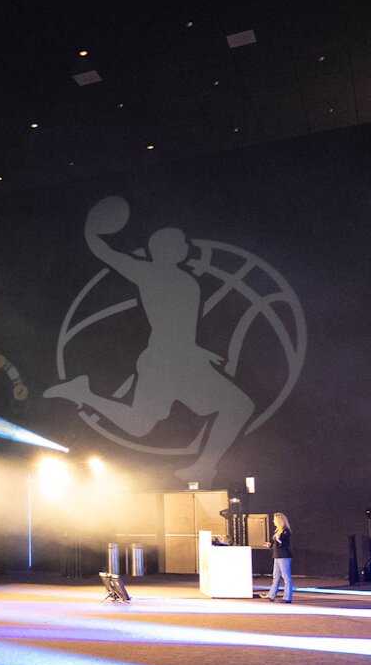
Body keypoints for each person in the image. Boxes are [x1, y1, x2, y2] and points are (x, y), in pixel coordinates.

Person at [44, 197, 255, 484]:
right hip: (164, 361)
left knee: (143, 423)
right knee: (232, 407)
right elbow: (107, 253)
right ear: (165, 249)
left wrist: (197, 351)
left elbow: (178, 327)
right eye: (179, 242)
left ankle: (84, 393)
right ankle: (83, 393)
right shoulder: (149, 272)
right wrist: (92, 232)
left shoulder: (185, 280)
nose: (185, 246)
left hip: (180, 359)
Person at [266, 512, 294, 603]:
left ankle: (287, 597)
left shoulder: (286, 531)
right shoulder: (278, 531)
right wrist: (270, 545)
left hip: (284, 556)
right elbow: (277, 545)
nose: (273, 521)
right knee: (276, 576)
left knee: (286, 576)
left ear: (279, 520)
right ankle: (272, 594)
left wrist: (279, 540)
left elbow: (284, 543)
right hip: (277, 556)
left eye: (274, 519)